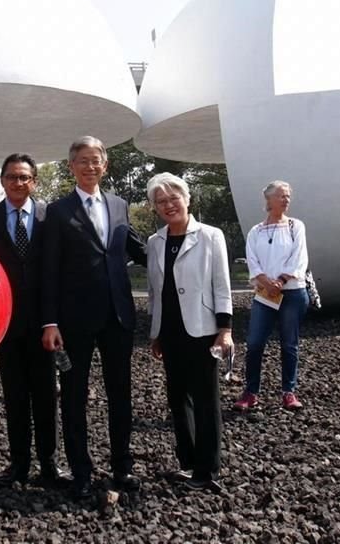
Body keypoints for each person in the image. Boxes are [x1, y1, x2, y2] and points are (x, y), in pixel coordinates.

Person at [41, 136, 147, 499]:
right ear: (71, 166)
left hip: (118, 315)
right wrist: (50, 322)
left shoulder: (119, 205)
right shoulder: (56, 211)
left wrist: (184, 243)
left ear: (105, 165)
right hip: (74, 320)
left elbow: (136, 249)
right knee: (73, 397)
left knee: (121, 395)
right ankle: (81, 471)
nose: (90, 166)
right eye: (82, 160)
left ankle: (122, 467)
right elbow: (49, 270)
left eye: (96, 160)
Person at [0, 153, 69, 486]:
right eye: (12, 177)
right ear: (2, 181)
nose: (18, 182)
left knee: (45, 396)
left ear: (34, 181)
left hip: (44, 323)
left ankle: (49, 463)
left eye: (25, 177)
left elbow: (57, 270)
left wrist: (53, 320)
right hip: (6, 324)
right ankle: (19, 463)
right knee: (14, 397)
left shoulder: (49, 216)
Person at [145, 172, 232, 492]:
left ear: (187, 199)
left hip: (202, 329)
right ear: (155, 207)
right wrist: (155, 331)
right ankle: (188, 461)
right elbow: (156, 289)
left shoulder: (210, 236)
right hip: (170, 330)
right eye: (161, 201)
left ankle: (207, 468)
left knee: (206, 399)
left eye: (173, 198)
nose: (168, 205)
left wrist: (225, 330)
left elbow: (221, 284)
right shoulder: (156, 242)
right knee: (178, 398)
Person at [235, 180, 310, 411]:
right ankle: (250, 392)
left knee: (289, 344)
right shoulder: (256, 231)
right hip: (265, 295)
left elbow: (299, 257)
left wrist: (282, 280)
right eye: (281, 195)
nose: (286, 199)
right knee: (255, 343)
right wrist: (266, 281)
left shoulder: (295, 226)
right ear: (268, 199)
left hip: (292, 293)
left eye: (288, 195)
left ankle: (289, 391)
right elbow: (253, 261)